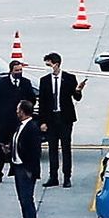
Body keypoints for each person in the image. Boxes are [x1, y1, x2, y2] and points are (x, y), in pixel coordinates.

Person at [37, 51, 85, 188]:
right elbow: (42, 103)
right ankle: (53, 176)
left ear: (56, 64)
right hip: (51, 119)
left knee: (66, 148)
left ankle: (67, 176)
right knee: (52, 149)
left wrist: (78, 90)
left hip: (65, 119)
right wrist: (42, 121)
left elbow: (77, 98)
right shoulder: (44, 80)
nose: (48, 68)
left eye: (49, 65)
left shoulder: (69, 78)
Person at [0, 59, 36, 184]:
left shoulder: (25, 83)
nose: (19, 72)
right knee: (2, 148)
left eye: (20, 70)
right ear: (11, 71)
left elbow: (32, 99)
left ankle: (16, 169)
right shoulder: (2, 83)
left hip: (20, 122)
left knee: (19, 146)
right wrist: (2, 112)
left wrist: (25, 109)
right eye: (17, 70)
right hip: (6, 121)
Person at [9, 99, 43, 218]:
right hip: (18, 168)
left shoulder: (32, 128)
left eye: (18, 109)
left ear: (23, 112)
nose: (16, 112)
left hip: (26, 170)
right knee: (22, 200)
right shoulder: (21, 126)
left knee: (28, 201)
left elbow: (35, 152)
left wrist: (30, 170)